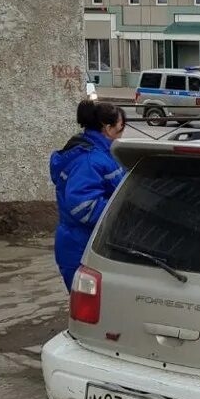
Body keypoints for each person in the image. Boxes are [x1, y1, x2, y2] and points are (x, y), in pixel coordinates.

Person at [50, 100, 127, 290]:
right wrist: (124, 210)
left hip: (88, 243)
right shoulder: (89, 160)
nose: (122, 132)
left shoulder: (102, 152)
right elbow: (83, 206)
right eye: (120, 127)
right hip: (81, 247)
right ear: (107, 128)